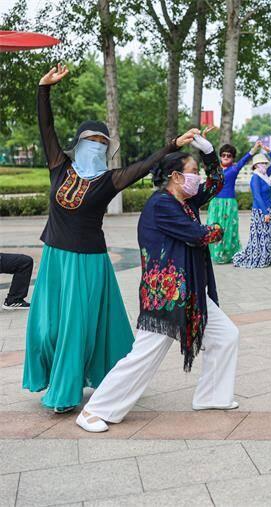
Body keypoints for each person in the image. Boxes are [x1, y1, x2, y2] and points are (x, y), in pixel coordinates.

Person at [23, 63, 198, 413]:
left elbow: (148, 165)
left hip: (88, 262)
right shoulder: (60, 167)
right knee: (45, 330)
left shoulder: (110, 180)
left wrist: (171, 145)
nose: (96, 147)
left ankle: (66, 393)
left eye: (102, 143)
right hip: (56, 260)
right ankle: (59, 376)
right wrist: (44, 89)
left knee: (77, 330)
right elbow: (46, 127)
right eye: (91, 140)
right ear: (79, 143)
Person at [76, 133, 241, 433]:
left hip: (188, 293)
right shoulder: (161, 205)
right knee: (144, 357)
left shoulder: (186, 200)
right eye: (193, 172)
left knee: (226, 335)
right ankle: (95, 411)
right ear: (176, 176)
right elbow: (198, 235)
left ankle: (211, 397)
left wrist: (207, 151)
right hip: (165, 298)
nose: (197, 178)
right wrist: (217, 228)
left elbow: (217, 183)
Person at [232, 145, 271, 268]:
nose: (263, 164)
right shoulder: (255, 178)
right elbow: (257, 196)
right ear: (255, 166)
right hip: (261, 211)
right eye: (260, 163)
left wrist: (269, 151)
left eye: (264, 162)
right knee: (263, 237)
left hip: (270, 209)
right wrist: (265, 213)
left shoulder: (265, 175)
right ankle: (262, 258)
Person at [206, 141, 257, 264]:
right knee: (213, 226)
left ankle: (228, 254)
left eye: (229, 155)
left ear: (232, 157)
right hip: (215, 203)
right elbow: (207, 156)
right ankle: (214, 253)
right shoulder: (216, 168)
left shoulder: (234, 168)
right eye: (223, 155)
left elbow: (245, 159)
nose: (225, 157)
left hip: (229, 203)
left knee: (228, 228)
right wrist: (203, 138)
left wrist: (254, 149)